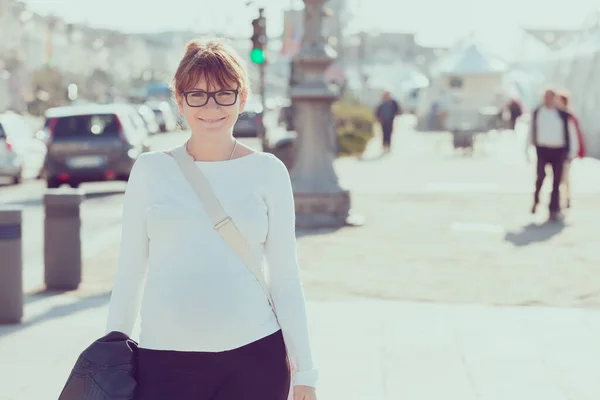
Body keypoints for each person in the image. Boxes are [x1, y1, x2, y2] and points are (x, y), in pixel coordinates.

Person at [105, 38, 318, 400]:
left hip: (255, 359)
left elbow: (285, 277)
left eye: (224, 94)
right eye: (197, 95)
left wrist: (306, 374)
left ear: (243, 98)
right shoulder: (151, 170)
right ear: (180, 101)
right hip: (164, 361)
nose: (211, 107)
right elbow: (129, 273)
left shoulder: (268, 172)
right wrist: (108, 364)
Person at [527, 88, 579, 221]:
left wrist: (572, 152)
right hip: (542, 149)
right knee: (540, 177)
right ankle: (536, 201)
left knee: (556, 181)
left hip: (558, 150)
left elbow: (571, 133)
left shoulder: (563, 114)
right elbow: (531, 131)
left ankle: (553, 209)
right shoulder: (538, 113)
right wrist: (527, 149)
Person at [556, 91, 586, 208]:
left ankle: (566, 198)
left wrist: (573, 152)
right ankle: (559, 199)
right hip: (556, 152)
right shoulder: (556, 115)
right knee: (557, 178)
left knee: (565, 177)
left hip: (566, 152)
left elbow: (574, 136)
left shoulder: (569, 116)